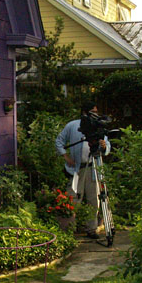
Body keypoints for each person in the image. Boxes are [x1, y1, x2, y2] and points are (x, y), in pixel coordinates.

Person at [55, 101, 110, 238]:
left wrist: (103, 146)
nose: (96, 115)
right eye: (93, 112)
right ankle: (70, 229)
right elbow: (59, 141)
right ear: (85, 112)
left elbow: (107, 146)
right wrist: (66, 157)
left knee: (94, 199)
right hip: (76, 169)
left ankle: (91, 228)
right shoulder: (73, 126)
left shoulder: (98, 127)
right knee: (73, 199)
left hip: (93, 168)